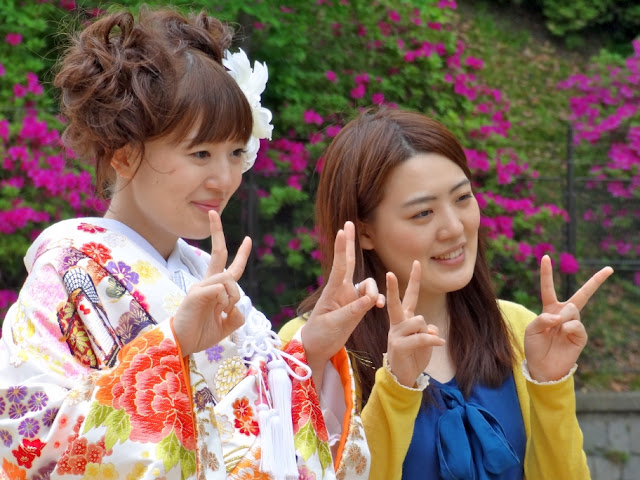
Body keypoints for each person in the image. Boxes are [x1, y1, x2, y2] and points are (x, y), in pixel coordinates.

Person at [0, 7, 370, 479]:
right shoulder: (66, 273)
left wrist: (311, 351)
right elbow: (27, 439)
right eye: (201, 153)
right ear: (124, 155)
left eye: (236, 152)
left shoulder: (202, 274)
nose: (225, 178)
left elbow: (257, 436)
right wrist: (170, 346)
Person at [280, 106, 613, 480]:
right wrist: (397, 389)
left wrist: (550, 387)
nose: (454, 228)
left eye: (462, 198)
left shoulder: (519, 329)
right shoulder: (313, 346)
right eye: (423, 213)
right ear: (366, 231)